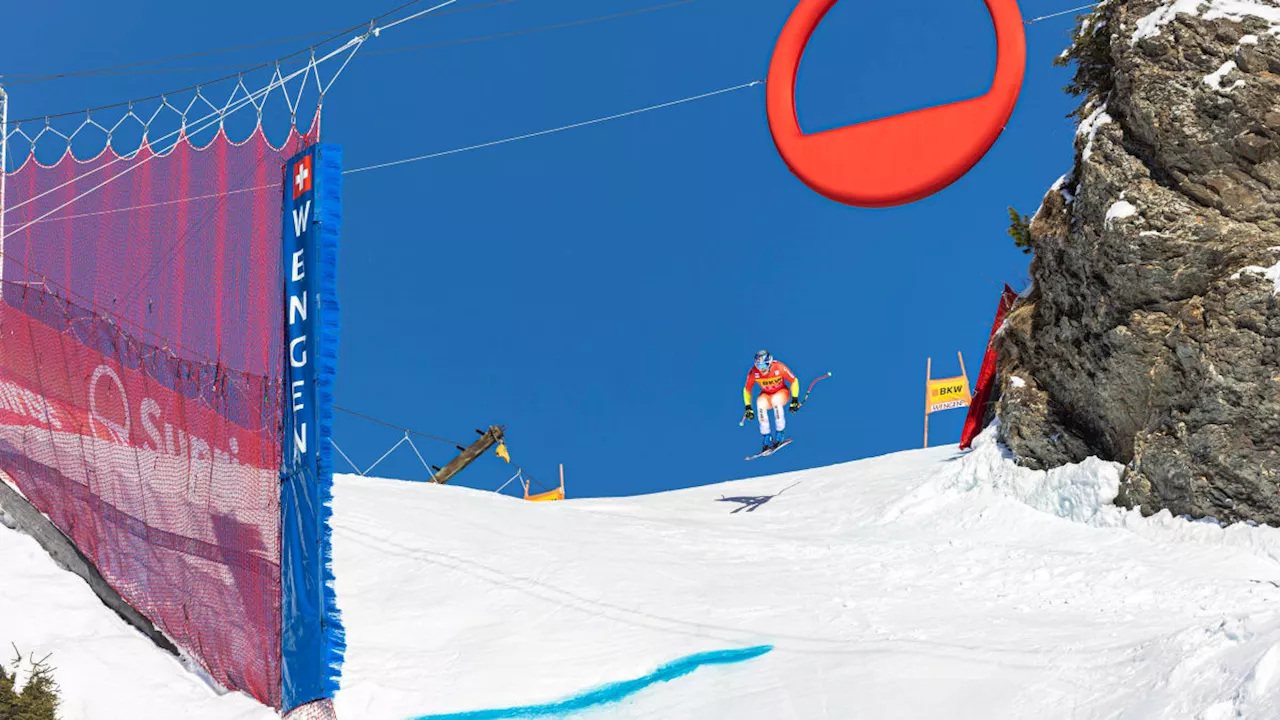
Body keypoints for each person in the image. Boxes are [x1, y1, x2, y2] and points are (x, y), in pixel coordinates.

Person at [743, 350, 800, 452]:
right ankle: (767, 437)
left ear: (769, 363)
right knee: (760, 403)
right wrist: (748, 407)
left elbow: (794, 380)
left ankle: (779, 434)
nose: (761, 369)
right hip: (766, 395)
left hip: (781, 392)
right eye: (758, 366)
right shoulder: (754, 372)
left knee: (776, 400)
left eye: (764, 365)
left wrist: (794, 399)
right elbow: (747, 389)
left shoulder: (779, 367)